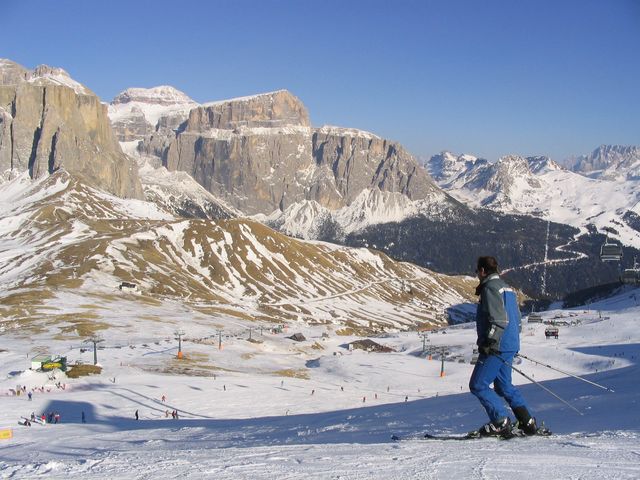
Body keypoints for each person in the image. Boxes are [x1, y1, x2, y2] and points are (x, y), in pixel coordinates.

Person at [469, 256, 541, 436]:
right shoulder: (508, 289)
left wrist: (489, 341)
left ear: (483, 271)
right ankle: (527, 421)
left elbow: (499, 319)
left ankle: (500, 421)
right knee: (503, 386)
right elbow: (517, 320)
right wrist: (512, 341)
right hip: (510, 344)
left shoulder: (490, 288)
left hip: (496, 346)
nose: (477, 274)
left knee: (478, 385)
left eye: (477, 271)